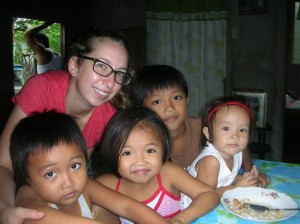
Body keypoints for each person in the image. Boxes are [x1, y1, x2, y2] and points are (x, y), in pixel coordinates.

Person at [0, 28, 134, 224]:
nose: (110, 82)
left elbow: (75, 172)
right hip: (26, 178)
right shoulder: (42, 89)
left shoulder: (107, 115)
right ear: (74, 65)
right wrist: (4, 208)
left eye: (119, 73)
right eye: (102, 66)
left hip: (72, 173)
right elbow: (4, 164)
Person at [9, 110, 172, 224]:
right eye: (50, 174)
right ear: (29, 178)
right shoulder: (28, 193)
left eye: (74, 166)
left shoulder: (86, 186)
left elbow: (127, 207)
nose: (68, 182)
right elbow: (33, 217)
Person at [131, 64, 270, 187]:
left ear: (187, 101)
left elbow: (238, 143)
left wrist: (251, 172)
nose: (169, 107)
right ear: (143, 109)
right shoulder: (142, 144)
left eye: (177, 97)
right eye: (157, 102)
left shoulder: (204, 126)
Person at [93, 106, 219, 224]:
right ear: (111, 152)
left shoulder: (168, 173)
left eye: (150, 151)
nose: (140, 161)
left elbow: (209, 195)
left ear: (163, 149)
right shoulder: (107, 184)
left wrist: (179, 220)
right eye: (127, 153)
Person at [181, 95, 259, 209]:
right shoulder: (211, 161)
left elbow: (227, 176)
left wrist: (244, 179)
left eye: (242, 130)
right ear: (208, 133)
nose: (235, 136)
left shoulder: (237, 153)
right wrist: (237, 187)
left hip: (217, 202)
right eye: (226, 128)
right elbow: (205, 197)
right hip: (194, 208)